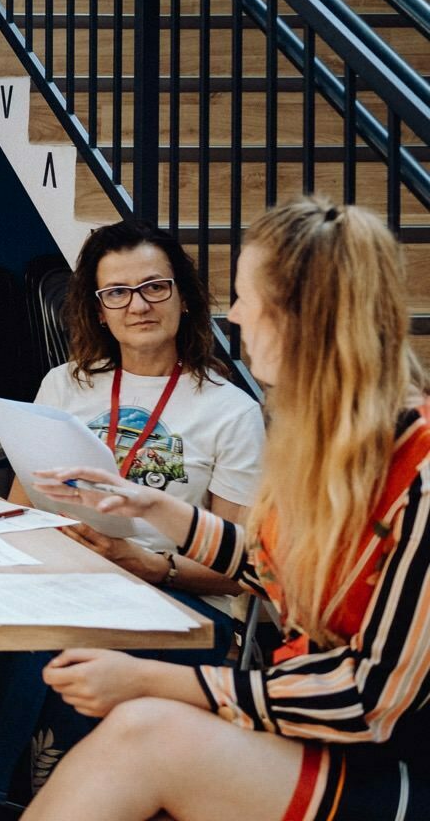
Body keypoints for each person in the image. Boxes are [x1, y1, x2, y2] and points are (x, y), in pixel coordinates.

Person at [22, 197, 430, 820]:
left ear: (300, 318)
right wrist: (158, 509)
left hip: (390, 769)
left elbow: (367, 702)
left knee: (145, 733)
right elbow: (272, 566)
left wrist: (156, 680)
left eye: (246, 299)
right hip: (319, 737)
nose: (233, 315)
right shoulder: (337, 440)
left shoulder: (420, 474)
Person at [0, 219, 264, 821]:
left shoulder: (230, 411)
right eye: (117, 293)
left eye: (154, 287)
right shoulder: (65, 385)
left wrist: (147, 565)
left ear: (183, 297)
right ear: (97, 309)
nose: (138, 305)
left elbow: (239, 570)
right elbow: (18, 509)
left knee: (46, 644)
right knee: (39, 631)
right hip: (73, 584)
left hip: (188, 612)